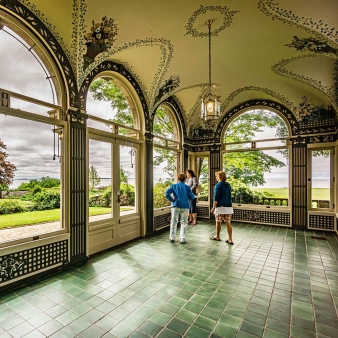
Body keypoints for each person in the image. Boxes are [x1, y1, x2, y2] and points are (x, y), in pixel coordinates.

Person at [165, 173, 196, 244]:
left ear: (178, 179)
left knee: (173, 222)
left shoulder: (174, 186)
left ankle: (172, 237)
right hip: (185, 206)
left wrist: (172, 200)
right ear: (185, 179)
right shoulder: (187, 187)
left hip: (175, 206)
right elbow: (192, 197)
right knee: (184, 222)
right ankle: (182, 238)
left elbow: (166, 193)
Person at [210, 171, 234, 244]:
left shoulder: (218, 185)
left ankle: (217, 236)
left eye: (217, 176)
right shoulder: (228, 185)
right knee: (228, 222)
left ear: (219, 177)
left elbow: (216, 198)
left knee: (218, 222)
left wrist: (213, 207)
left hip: (220, 207)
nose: (216, 178)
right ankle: (230, 239)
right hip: (228, 206)